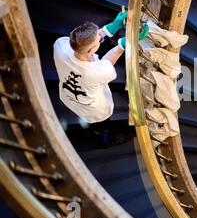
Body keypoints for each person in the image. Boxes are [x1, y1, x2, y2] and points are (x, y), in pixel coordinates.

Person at [53, 10, 148, 146]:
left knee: (88, 119)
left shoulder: (60, 45)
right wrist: (125, 43)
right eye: (99, 39)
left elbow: (86, 45)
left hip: (67, 96)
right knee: (100, 126)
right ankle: (103, 137)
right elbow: (108, 61)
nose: (100, 36)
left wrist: (110, 28)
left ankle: (97, 132)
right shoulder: (96, 73)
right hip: (95, 112)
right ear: (92, 51)